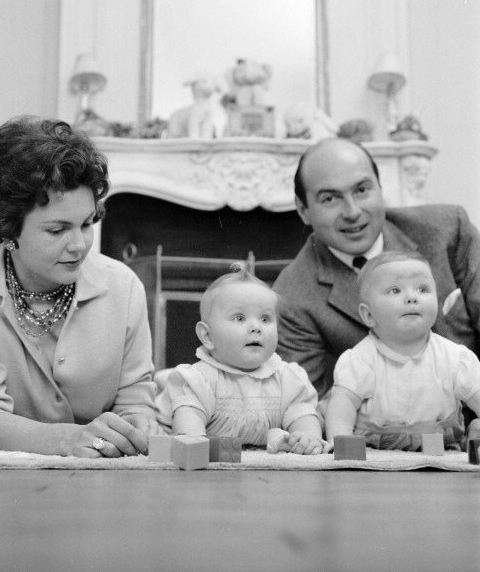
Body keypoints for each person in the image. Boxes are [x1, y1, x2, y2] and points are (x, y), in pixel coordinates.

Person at [0, 115, 159, 457]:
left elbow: (135, 401)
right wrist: (68, 441)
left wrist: (136, 426)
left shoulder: (124, 286)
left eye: (86, 224)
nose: (79, 244)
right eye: (57, 230)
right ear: (8, 227)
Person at [273, 137, 480, 407]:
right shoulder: (290, 297)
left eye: (362, 190)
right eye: (330, 198)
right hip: (386, 435)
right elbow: (313, 403)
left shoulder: (449, 229)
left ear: (380, 188)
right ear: (303, 210)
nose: (352, 212)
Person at [155, 263, 330, 455]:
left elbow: (301, 414)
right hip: (212, 458)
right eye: (239, 318)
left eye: (265, 319)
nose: (256, 327)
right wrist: (194, 442)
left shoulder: (287, 377)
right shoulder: (200, 379)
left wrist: (306, 437)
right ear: (208, 336)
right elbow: (189, 420)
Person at [325, 251, 480, 450]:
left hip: (440, 446)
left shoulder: (455, 357)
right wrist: (339, 442)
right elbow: (342, 405)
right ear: (368, 315)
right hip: (376, 448)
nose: (412, 298)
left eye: (422, 289)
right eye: (395, 291)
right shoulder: (361, 360)